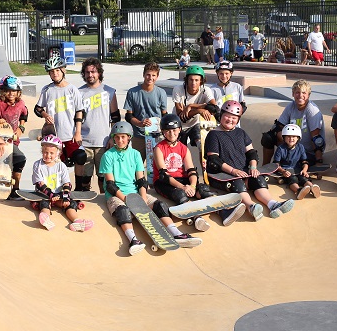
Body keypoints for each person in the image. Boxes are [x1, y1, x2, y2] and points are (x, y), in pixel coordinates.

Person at [100, 122, 202, 255]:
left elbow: (141, 181)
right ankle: (133, 240)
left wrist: (141, 200)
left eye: (123, 137)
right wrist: (128, 201)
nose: (120, 140)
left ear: (129, 137)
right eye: (117, 137)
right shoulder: (108, 156)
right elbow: (111, 185)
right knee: (123, 211)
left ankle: (176, 233)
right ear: (113, 138)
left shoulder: (135, 154)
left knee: (160, 205)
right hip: (116, 195)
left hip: (135, 192)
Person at [205, 100, 294, 221]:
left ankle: (272, 204)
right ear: (221, 115)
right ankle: (251, 206)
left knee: (258, 179)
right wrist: (233, 171)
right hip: (223, 175)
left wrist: (253, 167)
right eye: (227, 116)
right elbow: (213, 160)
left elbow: (251, 152)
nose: (230, 120)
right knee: (237, 183)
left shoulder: (241, 132)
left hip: (243, 171)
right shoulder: (213, 134)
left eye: (234, 118)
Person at [153, 113, 243, 230]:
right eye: (168, 131)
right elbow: (163, 175)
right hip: (163, 182)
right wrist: (183, 187)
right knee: (179, 193)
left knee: (202, 189)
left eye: (174, 130)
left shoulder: (183, 148)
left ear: (180, 129)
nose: (171, 134)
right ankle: (196, 218)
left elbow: (191, 170)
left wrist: (192, 185)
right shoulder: (159, 148)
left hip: (182, 178)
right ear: (163, 132)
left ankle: (224, 212)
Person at [32, 135, 94, 232]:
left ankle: (76, 222)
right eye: (45, 152)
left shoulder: (61, 166)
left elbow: (67, 184)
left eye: (51, 153)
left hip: (59, 196)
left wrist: (65, 196)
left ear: (58, 153)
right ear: (42, 151)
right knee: (44, 203)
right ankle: (46, 219)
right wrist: (51, 195)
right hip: (44, 195)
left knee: (71, 203)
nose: (48, 155)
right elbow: (40, 184)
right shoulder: (38, 165)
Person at [34, 56, 87, 168]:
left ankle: (80, 186)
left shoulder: (72, 89)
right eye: (52, 71)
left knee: (80, 157)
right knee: (55, 164)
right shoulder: (47, 90)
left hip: (70, 134)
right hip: (53, 135)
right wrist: (45, 114)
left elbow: (79, 111)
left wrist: (78, 132)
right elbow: (37, 109)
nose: (55, 73)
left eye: (57, 70)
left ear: (64, 70)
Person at [76, 58, 119, 192]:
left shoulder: (109, 91)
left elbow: (115, 117)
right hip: (85, 141)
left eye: (93, 72)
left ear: (99, 72)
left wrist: (113, 137)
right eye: (87, 72)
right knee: (85, 178)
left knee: (103, 178)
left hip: (104, 141)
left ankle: (104, 200)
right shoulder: (79, 92)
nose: (90, 75)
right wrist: (77, 133)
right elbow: (77, 116)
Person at [261, 79, 325, 167]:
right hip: (292, 146)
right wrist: (283, 138)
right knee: (268, 137)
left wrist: (319, 161)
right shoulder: (291, 106)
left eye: (304, 93)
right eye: (297, 92)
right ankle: (266, 167)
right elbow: (278, 126)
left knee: (294, 163)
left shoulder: (312, 110)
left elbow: (317, 139)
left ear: (309, 95)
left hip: (307, 152)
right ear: (293, 94)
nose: (300, 96)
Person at [123, 61, 167, 160]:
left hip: (156, 135)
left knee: (156, 166)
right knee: (136, 166)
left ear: (157, 77)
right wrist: (140, 123)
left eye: (153, 75)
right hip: (139, 135)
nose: (150, 78)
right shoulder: (132, 92)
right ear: (143, 75)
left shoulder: (161, 93)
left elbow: (164, 115)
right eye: (148, 75)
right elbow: (128, 116)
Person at [172, 65, 218, 148]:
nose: (193, 83)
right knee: (180, 150)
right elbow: (182, 116)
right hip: (179, 125)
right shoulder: (178, 89)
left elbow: (214, 108)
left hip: (195, 123)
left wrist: (191, 106)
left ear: (201, 81)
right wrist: (199, 110)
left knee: (202, 144)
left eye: (196, 80)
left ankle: (205, 160)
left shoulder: (205, 90)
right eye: (191, 80)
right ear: (186, 80)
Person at [273, 124, 321, 200]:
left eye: (294, 137)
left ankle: (312, 187)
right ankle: (298, 191)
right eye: (288, 136)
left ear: (298, 138)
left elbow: (304, 161)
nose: (291, 139)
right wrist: (283, 171)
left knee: (303, 178)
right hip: (286, 171)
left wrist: (304, 170)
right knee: (293, 179)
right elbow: (276, 164)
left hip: (297, 169)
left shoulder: (300, 147)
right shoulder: (280, 149)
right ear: (284, 138)